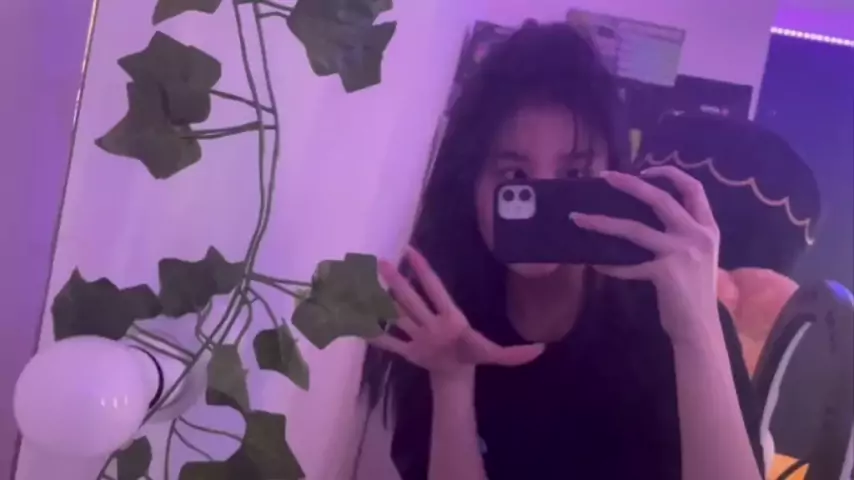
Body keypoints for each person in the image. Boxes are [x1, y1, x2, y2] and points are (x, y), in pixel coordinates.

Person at [360, 22, 763, 480]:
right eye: (515, 177)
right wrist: (451, 382)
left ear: (614, 178)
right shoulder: (441, 321)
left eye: (573, 175)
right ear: (471, 187)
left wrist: (697, 329)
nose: (542, 201)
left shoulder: (670, 318)